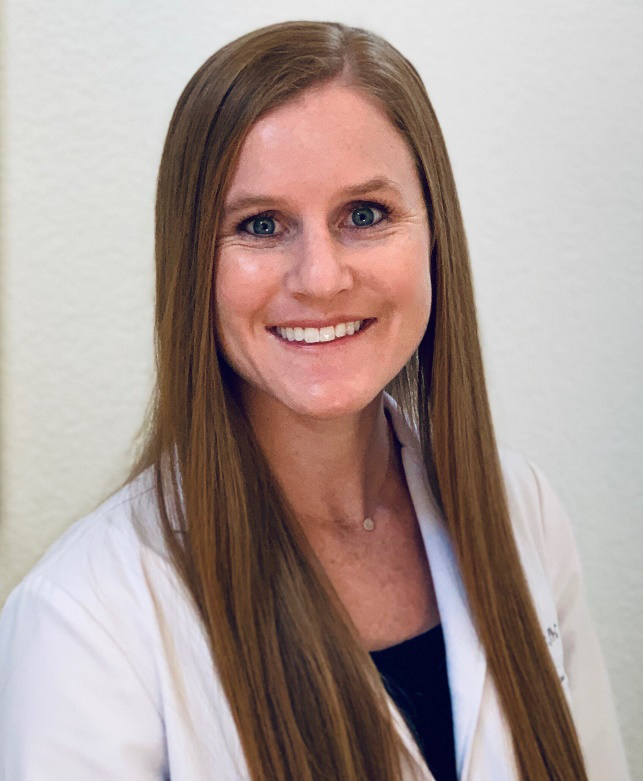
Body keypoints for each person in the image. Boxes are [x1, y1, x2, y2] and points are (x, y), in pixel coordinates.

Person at [0, 20, 630, 781]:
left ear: (433, 236)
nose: (321, 277)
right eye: (260, 225)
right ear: (191, 264)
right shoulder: (83, 620)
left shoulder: (521, 508)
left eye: (364, 214)